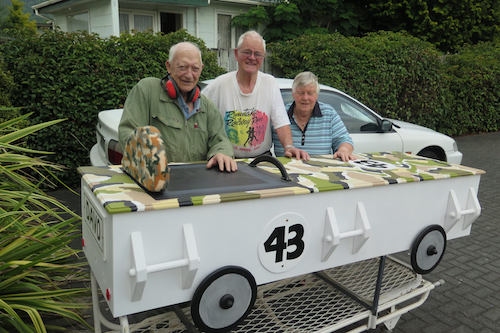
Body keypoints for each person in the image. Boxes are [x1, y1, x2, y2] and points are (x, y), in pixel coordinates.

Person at [118, 42, 237, 172]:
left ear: (201, 69)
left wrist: (221, 153)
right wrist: (148, 160)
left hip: (195, 184)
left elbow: (221, 140)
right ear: (169, 66)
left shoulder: (207, 106)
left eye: (195, 69)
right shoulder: (147, 90)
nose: (189, 74)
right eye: (182, 67)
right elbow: (128, 133)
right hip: (154, 181)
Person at [202, 31, 310, 161]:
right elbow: (199, 115)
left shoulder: (270, 83)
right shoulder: (219, 85)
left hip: (262, 160)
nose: (252, 57)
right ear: (237, 54)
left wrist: (288, 146)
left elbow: (280, 122)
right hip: (227, 160)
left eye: (257, 54)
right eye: (247, 52)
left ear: (263, 58)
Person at [272, 71, 355, 161]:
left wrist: (343, 150)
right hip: (285, 172)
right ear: (293, 93)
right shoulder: (280, 114)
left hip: (320, 172)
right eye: (301, 93)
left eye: (310, 93)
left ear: (317, 94)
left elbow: (344, 140)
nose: (305, 98)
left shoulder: (329, 113)